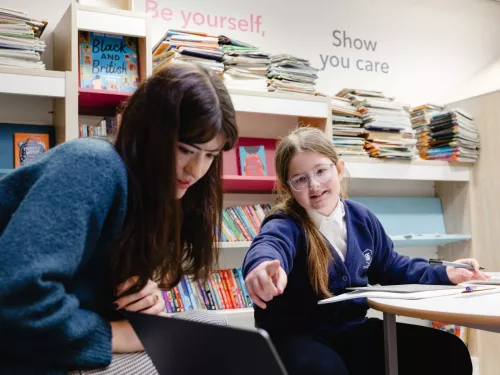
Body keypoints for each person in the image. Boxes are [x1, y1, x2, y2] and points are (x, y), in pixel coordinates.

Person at [0, 61, 238, 374]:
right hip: (21, 349)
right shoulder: (93, 165)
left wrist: (137, 302)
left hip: (44, 341)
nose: (196, 170)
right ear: (149, 131)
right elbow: (17, 297)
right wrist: (118, 334)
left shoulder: (152, 194)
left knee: (211, 326)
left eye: (210, 155)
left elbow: (80, 288)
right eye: (185, 149)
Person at [242, 127, 488, 375]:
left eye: (320, 171)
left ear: (339, 169)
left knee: (448, 351)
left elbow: (392, 266)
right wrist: (262, 266)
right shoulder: (284, 223)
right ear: (289, 187)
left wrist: (446, 272)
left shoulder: (361, 217)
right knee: (325, 370)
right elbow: (269, 245)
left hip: (352, 331)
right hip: (299, 336)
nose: (314, 185)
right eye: (300, 179)